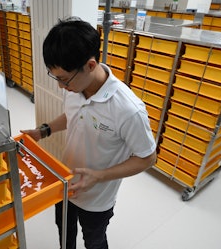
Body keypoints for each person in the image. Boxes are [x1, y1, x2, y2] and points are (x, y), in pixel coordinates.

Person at [20, 17, 157, 249]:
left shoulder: (128, 110)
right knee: (65, 234)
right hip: (65, 184)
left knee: (94, 241)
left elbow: (147, 158)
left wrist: (98, 176)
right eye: (56, 78)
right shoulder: (76, 86)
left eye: (63, 79)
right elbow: (72, 116)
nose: (60, 87)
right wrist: (42, 131)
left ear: (90, 65)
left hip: (97, 199)